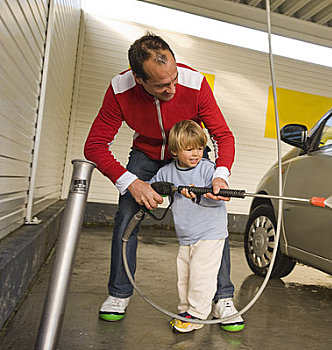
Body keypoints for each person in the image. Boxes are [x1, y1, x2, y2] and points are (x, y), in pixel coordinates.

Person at [84, 33, 244, 331]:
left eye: (174, 78)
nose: (172, 88)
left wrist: (221, 174)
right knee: (126, 218)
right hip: (145, 156)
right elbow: (95, 145)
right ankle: (119, 293)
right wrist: (131, 182)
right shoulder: (120, 88)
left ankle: (222, 297)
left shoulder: (194, 82)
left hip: (189, 153)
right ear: (138, 79)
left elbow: (223, 135)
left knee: (211, 225)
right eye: (161, 85)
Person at [149, 120, 231, 332]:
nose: (196, 154)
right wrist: (164, 190)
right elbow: (152, 189)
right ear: (175, 150)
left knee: (200, 275)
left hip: (210, 232)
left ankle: (196, 315)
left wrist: (203, 192)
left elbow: (217, 197)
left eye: (200, 148)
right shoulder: (167, 172)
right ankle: (186, 309)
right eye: (189, 149)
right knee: (184, 275)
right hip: (186, 235)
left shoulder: (207, 168)